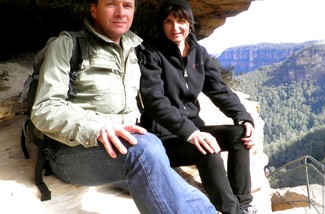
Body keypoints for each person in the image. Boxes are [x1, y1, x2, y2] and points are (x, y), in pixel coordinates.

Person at [30, 0, 216, 213]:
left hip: (124, 150)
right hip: (72, 151)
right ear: (94, 10)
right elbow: (45, 108)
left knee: (200, 204)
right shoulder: (68, 45)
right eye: (111, 4)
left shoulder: (135, 48)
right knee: (145, 150)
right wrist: (98, 128)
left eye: (127, 5)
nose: (120, 13)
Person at [138, 0, 256, 213]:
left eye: (181, 21)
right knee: (206, 149)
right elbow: (155, 102)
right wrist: (191, 133)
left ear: (190, 23)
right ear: (161, 25)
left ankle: (244, 205)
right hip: (165, 137)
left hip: (194, 130)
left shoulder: (198, 53)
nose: (175, 28)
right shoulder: (151, 53)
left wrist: (243, 117)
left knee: (240, 135)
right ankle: (231, 210)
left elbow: (220, 90)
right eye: (169, 22)